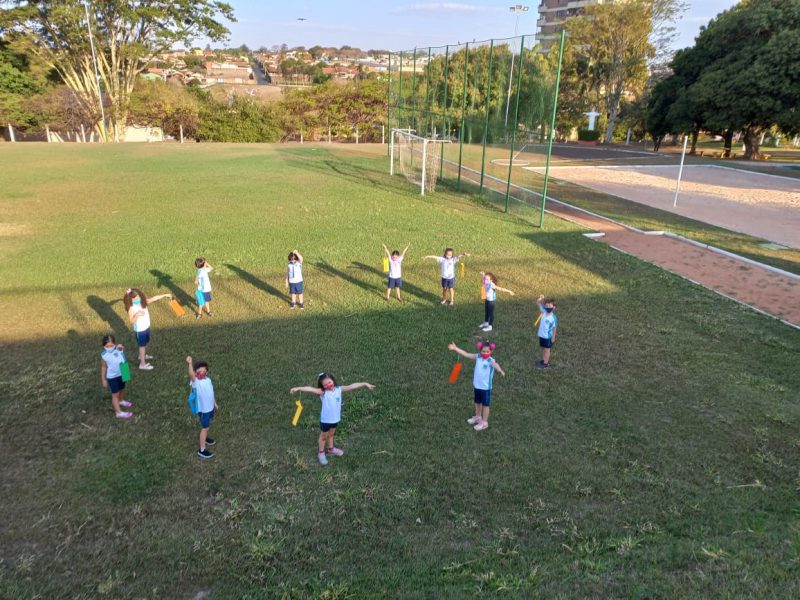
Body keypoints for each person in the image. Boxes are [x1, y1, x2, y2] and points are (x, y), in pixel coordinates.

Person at [290, 373, 375, 465]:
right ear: (322, 386)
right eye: (325, 385)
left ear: (333, 380)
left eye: (329, 382)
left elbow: (352, 386)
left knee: (331, 435)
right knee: (323, 437)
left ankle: (331, 449)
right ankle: (321, 453)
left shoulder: (339, 389)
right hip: (325, 420)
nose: (328, 385)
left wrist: (365, 384)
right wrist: (298, 388)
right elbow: (310, 389)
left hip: (335, 419)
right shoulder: (323, 392)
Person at [448, 340, 506, 431]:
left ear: (491, 351)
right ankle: (478, 417)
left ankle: (484, 422)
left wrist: (500, 370)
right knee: (477, 402)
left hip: (485, 388)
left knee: (485, 405)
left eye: (487, 351)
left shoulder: (491, 360)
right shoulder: (478, 357)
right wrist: (455, 348)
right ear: (480, 350)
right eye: (483, 351)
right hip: (477, 386)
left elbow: (496, 365)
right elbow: (466, 354)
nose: (485, 353)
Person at [123, 288, 171, 370]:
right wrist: (137, 315)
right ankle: (142, 364)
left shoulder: (143, 302)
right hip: (140, 330)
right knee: (142, 346)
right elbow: (131, 320)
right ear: (130, 299)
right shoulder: (131, 308)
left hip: (146, 327)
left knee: (145, 343)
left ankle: (142, 355)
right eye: (135, 298)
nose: (138, 299)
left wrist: (164, 295)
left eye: (138, 296)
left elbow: (153, 298)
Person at [187, 356, 218, 459]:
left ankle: (204, 438)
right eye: (199, 371)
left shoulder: (208, 380)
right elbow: (191, 374)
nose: (201, 373)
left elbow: (211, 392)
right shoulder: (196, 382)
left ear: (207, 372)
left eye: (204, 371)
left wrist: (214, 403)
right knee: (205, 428)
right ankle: (202, 450)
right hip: (204, 410)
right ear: (195, 373)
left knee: (207, 425)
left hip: (209, 408)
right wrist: (190, 363)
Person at [100, 334, 133, 419]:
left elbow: (122, 355)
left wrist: (126, 374)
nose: (109, 347)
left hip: (122, 373)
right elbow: (103, 367)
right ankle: (118, 412)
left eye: (111, 345)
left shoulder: (118, 349)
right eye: (107, 346)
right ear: (104, 346)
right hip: (112, 377)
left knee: (122, 388)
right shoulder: (104, 355)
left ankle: (121, 401)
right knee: (115, 394)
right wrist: (103, 379)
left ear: (114, 344)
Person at [536, 295, 558, 369]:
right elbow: (538, 303)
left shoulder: (553, 318)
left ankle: (545, 364)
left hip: (548, 337)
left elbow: (554, 328)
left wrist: (553, 337)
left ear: (553, 307)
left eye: (549, 305)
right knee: (543, 349)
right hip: (541, 335)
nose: (547, 306)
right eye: (546, 305)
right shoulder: (544, 311)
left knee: (547, 350)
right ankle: (543, 360)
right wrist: (541, 298)